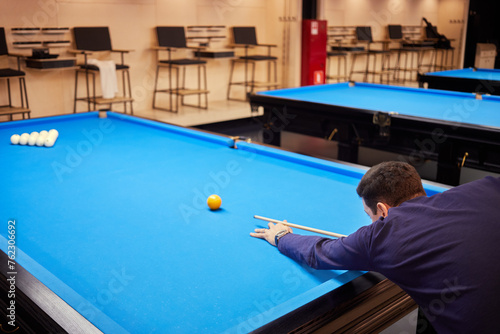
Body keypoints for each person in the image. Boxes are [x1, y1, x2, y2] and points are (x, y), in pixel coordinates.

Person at [250, 161, 500, 334]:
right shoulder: (485, 186)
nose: (372, 223)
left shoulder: (384, 235)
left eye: (369, 216)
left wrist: (281, 236)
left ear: (382, 210)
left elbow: (319, 253)